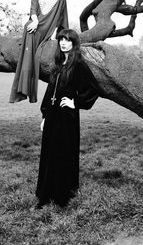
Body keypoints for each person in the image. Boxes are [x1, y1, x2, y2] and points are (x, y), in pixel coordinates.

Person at [36, 29, 100, 208]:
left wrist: (76, 102)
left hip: (67, 118)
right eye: (61, 40)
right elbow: (50, 93)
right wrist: (44, 116)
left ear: (74, 43)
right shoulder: (57, 65)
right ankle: (44, 196)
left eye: (67, 40)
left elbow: (92, 89)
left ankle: (62, 196)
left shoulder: (79, 65)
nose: (63, 43)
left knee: (63, 154)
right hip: (52, 116)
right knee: (48, 155)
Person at [9, 0, 68, 103]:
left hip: (48, 27)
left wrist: (58, 33)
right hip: (34, 27)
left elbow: (62, 15)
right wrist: (34, 21)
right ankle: (23, 89)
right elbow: (33, 10)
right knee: (29, 56)